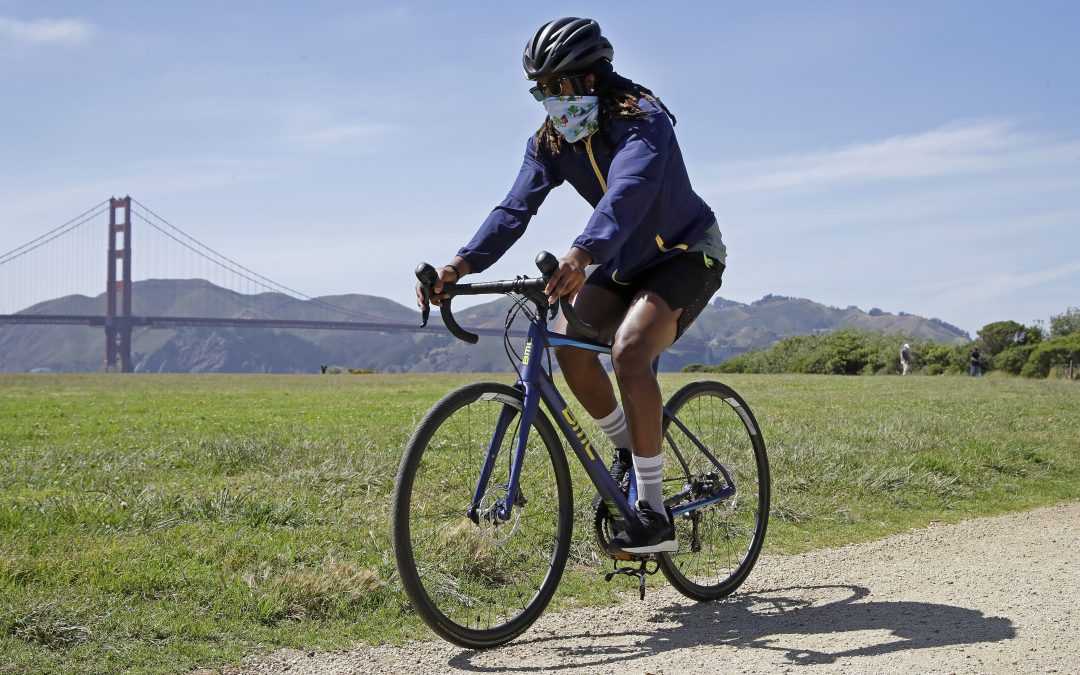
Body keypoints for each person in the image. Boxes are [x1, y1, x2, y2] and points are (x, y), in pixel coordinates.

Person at [415, 17, 726, 555]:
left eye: (555, 85)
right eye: (539, 90)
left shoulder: (643, 119)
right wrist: (458, 267)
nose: (549, 100)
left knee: (630, 351)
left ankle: (654, 516)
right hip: (621, 260)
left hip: (684, 253)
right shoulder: (551, 142)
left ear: (590, 77)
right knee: (569, 345)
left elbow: (629, 190)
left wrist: (582, 253)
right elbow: (514, 209)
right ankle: (628, 448)